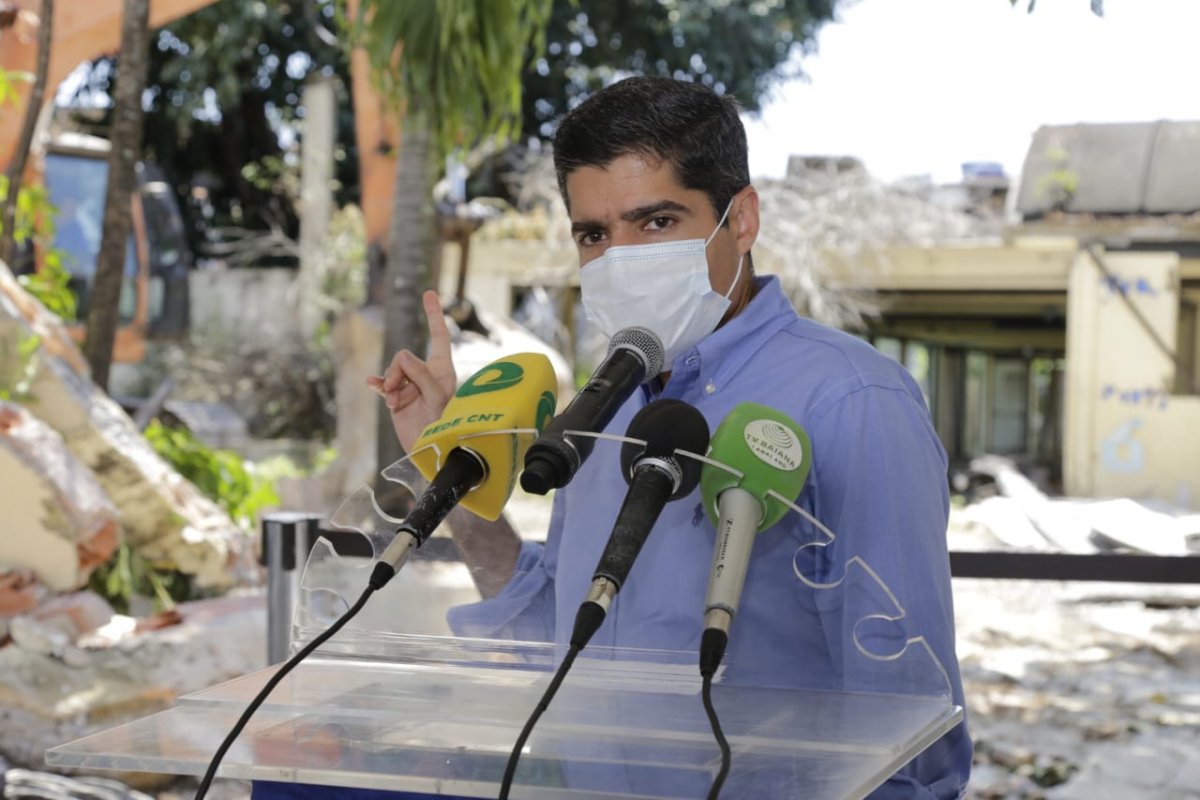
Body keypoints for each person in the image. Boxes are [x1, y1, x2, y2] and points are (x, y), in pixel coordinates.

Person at [256, 76, 970, 799]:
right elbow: (560, 642)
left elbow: (910, 724)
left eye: (656, 222)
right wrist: (458, 469)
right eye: (594, 235)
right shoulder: (606, 411)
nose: (620, 258)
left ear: (743, 221)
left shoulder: (853, 401)